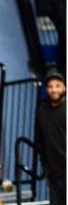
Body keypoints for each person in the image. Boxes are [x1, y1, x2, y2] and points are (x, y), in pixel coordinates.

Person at [35, 70, 66, 205]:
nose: (54, 90)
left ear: (64, 88)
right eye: (50, 86)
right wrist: (44, 163)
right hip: (53, 170)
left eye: (57, 86)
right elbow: (39, 139)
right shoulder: (42, 110)